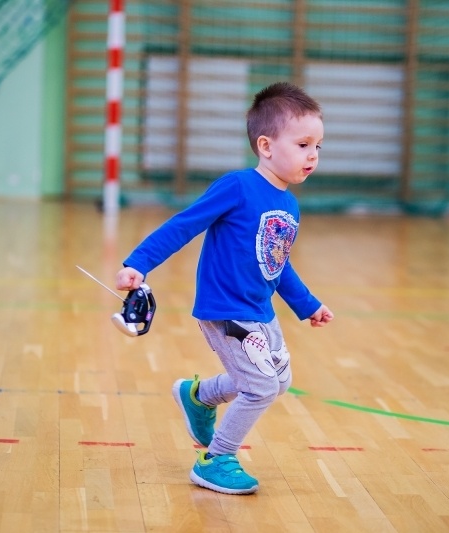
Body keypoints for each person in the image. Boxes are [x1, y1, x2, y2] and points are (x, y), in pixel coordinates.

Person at [115, 81, 334, 495]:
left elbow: (277, 263)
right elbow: (184, 224)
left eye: (318, 147)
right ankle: (216, 459)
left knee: (278, 382)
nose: (313, 155)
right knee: (261, 386)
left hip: (260, 311)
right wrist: (138, 264)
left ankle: (198, 396)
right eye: (304, 144)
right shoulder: (237, 187)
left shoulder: (289, 204)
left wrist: (308, 305)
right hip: (227, 310)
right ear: (266, 146)